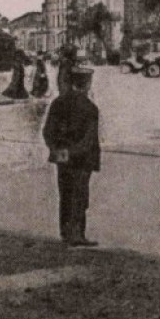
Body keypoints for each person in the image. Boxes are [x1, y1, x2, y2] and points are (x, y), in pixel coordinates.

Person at [42, 69, 101, 247]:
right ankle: (77, 235)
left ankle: (66, 233)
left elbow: (47, 132)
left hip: (63, 157)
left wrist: (60, 151)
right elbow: (89, 140)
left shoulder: (58, 103)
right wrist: (75, 153)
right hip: (82, 160)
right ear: (88, 83)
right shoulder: (90, 108)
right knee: (80, 196)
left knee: (65, 194)